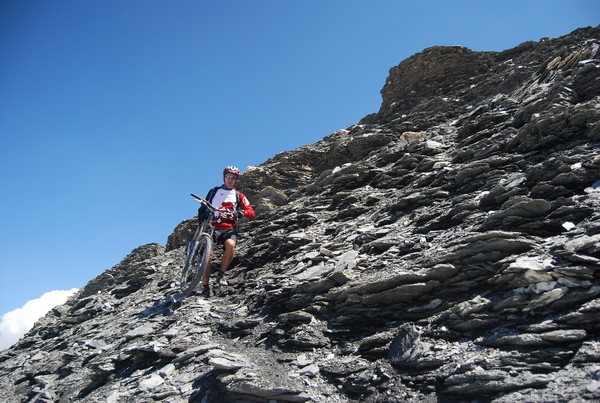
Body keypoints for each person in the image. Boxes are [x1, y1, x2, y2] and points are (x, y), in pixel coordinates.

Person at [197, 165, 255, 297]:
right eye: (228, 177)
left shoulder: (238, 195)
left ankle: (221, 275)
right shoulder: (214, 191)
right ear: (224, 177)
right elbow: (204, 206)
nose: (230, 180)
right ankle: (205, 286)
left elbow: (251, 212)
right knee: (208, 256)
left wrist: (240, 212)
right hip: (212, 226)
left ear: (236, 180)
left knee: (231, 246)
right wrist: (201, 219)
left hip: (228, 227)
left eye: (233, 178)